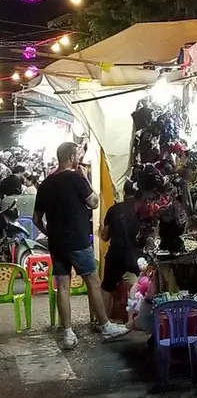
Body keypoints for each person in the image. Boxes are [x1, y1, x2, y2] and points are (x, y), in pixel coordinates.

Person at [33, 142, 128, 349]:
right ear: (71, 157)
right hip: (77, 240)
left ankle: (67, 334)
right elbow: (94, 202)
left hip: (57, 244)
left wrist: (50, 232)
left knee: (63, 286)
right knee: (93, 281)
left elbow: (36, 218)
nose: (79, 158)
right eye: (77, 154)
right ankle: (105, 325)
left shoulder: (46, 184)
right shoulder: (76, 178)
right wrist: (85, 177)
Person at [100, 180, 141, 323]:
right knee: (139, 286)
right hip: (136, 257)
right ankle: (135, 320)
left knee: (107, 288)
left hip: (116, 254)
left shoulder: (114, 209)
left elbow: (104, 237)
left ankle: (104, 321)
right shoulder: (141, 209)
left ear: (124, 192)